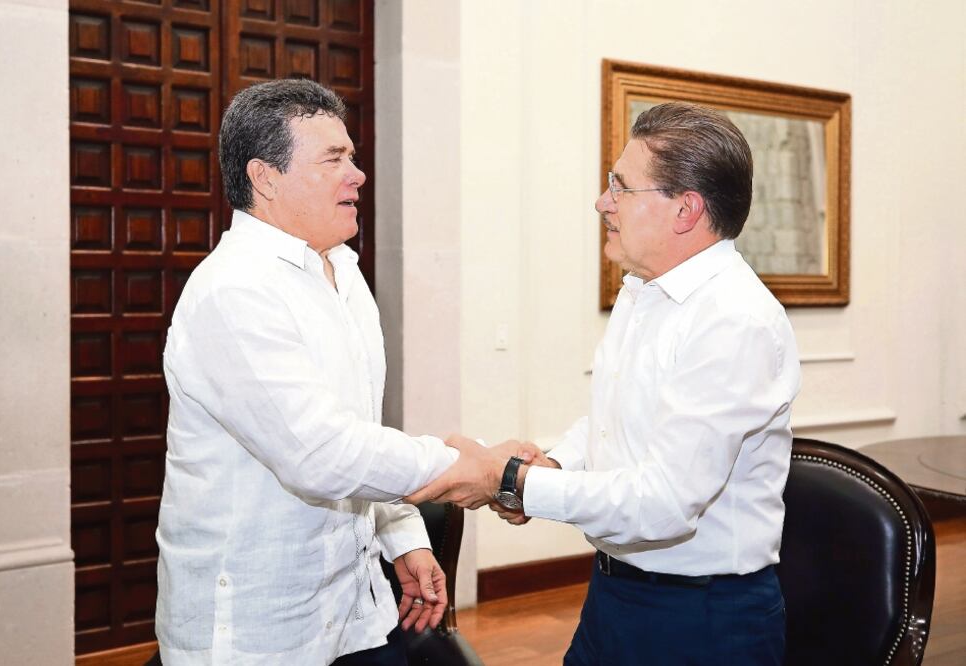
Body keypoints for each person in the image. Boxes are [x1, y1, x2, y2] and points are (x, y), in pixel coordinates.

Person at [409, 102, 802, 665]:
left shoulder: (734, 320)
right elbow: (617, 424)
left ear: (685, 209)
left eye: (621, 187)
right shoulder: (643, 291)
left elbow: (665, 504)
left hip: (701, 620)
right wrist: (555, 466)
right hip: (616, 593)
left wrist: (513, 481)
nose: (602, 202)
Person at [157, 78, 476, 666]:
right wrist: (468, 467)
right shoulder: (232, 291)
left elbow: (357, 431)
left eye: (351, 157)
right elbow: (320, 454)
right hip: (261, 628)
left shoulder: (343, 272)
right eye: (334, 159)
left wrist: (401, 535)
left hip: (356, 609)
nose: (357, 174)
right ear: (265, 177)